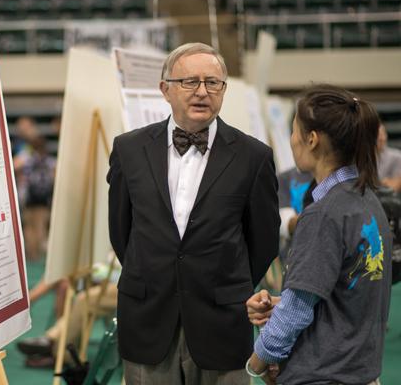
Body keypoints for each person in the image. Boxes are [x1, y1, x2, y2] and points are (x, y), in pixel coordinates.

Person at [107, 42, 279, 384]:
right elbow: (121, 231)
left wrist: (224, 283)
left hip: (222, 322)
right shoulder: (129, 149)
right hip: (148, 318)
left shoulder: (253, 156)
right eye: (190, 82)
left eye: (213, 83)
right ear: (165, 90)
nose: (202, 92)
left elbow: (263, 242)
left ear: (223, 90)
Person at [246, 85, 392, 385]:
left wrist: (257, 362)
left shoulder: (324, 213)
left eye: (294, 130)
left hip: (325, 374)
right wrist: (282, 303)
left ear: (311, 139)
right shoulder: (367, 200)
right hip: (359, 371)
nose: (291, 139)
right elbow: (348, 289)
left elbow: (296, 312)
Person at [377, 122, 401, 192]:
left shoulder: (397, 156)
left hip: (391, 198)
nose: (380, 138)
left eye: (382, 134)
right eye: (377, 135)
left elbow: (396, 184)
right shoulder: (364, 158)